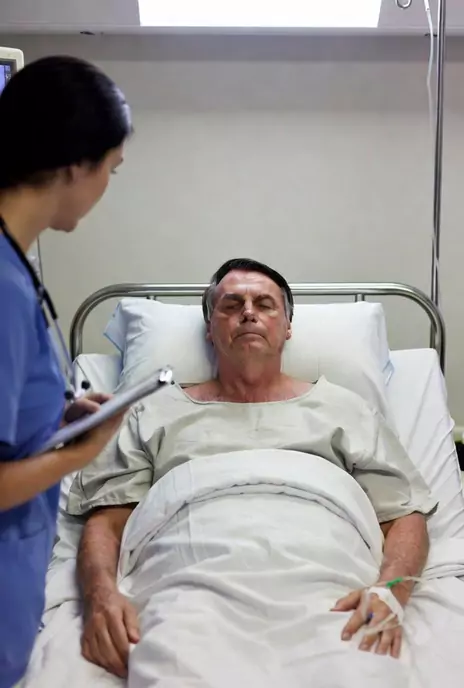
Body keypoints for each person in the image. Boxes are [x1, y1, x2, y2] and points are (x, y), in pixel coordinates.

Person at [67, 258, 437, 684]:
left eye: (264, 304)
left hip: (325, 579)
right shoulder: (152, 412)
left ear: (287, 327)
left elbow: (403, 514)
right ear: (209, 329)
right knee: (176, 663)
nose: (247, 313)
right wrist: (101, 596)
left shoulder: (346, 409)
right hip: (191, 579)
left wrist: (390, 591)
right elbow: (108, 519)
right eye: (230, 305)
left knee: (352, 669)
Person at [0, 55, 133, 688]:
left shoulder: (14, 268)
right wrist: (78, 454)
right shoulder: (2, 288)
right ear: (76, 164)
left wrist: (54, 421)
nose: (107, 186)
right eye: (110, 168)